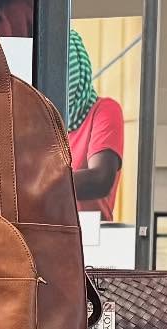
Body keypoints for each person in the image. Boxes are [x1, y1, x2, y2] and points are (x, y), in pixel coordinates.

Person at [66, 29, 124, 222]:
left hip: (90, 233)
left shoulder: (104, 110)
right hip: (50, 230)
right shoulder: (44, 120)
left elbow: (100, 179)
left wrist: (35, 184)